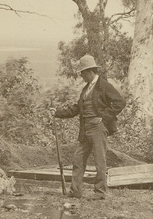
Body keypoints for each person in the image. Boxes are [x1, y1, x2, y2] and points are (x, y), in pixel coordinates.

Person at [51, 55, 126, 200]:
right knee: (78, 158)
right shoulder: (86, 89)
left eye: (82, 73)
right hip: (85, 129)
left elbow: (120, 102)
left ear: (90, 71)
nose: (81, 76)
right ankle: (76, 191)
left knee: (100, 160)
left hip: (98, 128)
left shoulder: (104, 86)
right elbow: (76, 109)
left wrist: (104, 118)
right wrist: (57, 113)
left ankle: (100, 192)